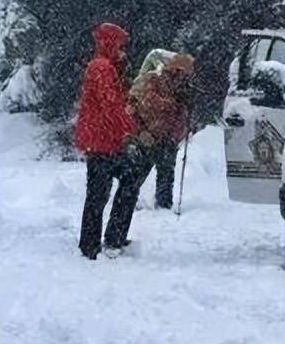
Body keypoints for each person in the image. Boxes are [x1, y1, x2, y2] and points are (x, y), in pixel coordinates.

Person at [75, 22, 138, 259]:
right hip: (102, 140)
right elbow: (111, 104)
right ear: (112, 43)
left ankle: (100, 241)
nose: (123, 51)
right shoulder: (101, 68)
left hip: (103, 140)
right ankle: (103, 241)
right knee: (105, 190)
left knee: (104, 190)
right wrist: (129, 128)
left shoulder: (105, 66)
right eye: (121, 45)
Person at [130, 53, 195, 210]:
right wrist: (175, 102)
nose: (188, 75)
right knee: (142, 169)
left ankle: (163, 204)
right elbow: (151, 104)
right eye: (186, 71)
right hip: (151, 134)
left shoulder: (181, 85)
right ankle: (128, 198)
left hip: (168, 136)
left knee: (165, 172)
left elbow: (181, 115)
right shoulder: (156, 79)